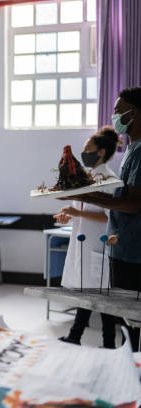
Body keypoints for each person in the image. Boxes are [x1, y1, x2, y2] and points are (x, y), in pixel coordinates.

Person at [72, 87, 141, 351]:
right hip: (121, 247)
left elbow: (132, 204)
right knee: (124, 318)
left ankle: (131, 372)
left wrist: (86, 197)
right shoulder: (132, 150)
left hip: (133, 253)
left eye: (117, 110)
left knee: (132, 322)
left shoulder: (140, 152)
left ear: (132, 112)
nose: (114, 116)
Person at [54, 127, 119, 348]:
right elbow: (79, 210)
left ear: (101, 152)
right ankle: (76, 336)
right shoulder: (86, 178)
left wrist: (78, 213)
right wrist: (68, 215)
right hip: (83, 243)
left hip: (98, 246)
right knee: (90, 294)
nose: (84, 153)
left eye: (87, 149)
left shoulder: (109, 179)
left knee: (100, 296)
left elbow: (108, 217)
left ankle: (105, 342)